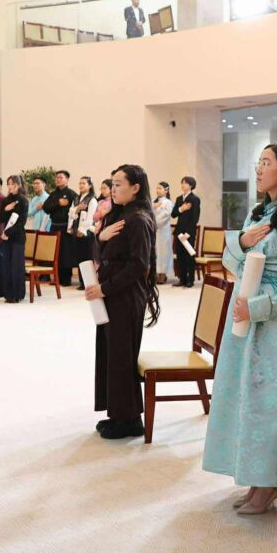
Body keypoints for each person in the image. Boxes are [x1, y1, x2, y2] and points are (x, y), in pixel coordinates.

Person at [202, 142, 277, 515]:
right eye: (259, 162)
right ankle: (254, 477)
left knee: (269, 401)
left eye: (267, 162)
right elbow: (229, 260)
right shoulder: (259, 213)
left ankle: (271, 482)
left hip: (270, 322)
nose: (259, 168)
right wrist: (241, 241)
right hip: (242, 313)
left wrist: (256, 307)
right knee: (243, 396)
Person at [87, 164, 160, 439]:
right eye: (113, 183)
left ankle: (130, 420)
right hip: (113, 295)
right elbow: (106, 254)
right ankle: (118, 414)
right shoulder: (120, 215)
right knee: (112, 354)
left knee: (121, 356)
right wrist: (100, 236)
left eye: (119, 184)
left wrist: (105, 288)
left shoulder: (138, 218)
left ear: (135, 187)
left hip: (125, 296)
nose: (113, 189)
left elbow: (139, 265)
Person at [43, 170, 80, 286]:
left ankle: (66, 279)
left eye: (61, 177)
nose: (58, 179)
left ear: (67, 179)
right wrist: (58, 204)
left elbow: (76, 211)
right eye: (57, 178)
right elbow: (46, 208)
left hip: (66, 227)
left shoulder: (71, 194)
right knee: (56, 253)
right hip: (54, 226)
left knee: (66, 253)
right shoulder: (53, 194)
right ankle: (56, 278)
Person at [0, 175, 29, 303]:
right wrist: (6, 209)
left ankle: (18, 294)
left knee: (16, 266)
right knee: (6, 265)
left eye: (13, 184)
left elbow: (21, 222)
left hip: (17, 237)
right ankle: (8, 294)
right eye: (9, 184)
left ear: (19, 185)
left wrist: (7, 232)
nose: (10, 186)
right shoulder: (6, 200)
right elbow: (0, 218)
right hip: (6, 237)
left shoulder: (23, 200)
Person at [171, 176, 201, 288]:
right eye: (182, 182)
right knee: (180, 256)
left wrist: (188, 233)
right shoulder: (179, 198)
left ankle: (190, 280)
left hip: (188, 233)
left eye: (185, 183)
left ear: (191, 185)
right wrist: (181, 209)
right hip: (179, 231)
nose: (183, 185)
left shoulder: (194, 199)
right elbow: (173, 214)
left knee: (189, 256)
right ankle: (182, 279)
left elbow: (195, 218)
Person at [70, 176, 99, 291]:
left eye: (84, 183)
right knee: (79, 257)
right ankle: (82, 282)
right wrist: (77, 209)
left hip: (87, 232)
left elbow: (90, 218)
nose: (81, 185)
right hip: (76, 231)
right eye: (80, 183)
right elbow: (71, 214)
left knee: (87, 257)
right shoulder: (77, 198)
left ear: (90, 186)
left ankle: (89, 283)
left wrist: (82, 230)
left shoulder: (92, 200)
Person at [153, 182, 175, 283]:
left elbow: (166, 215)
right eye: (157, 188)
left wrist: (155, 223)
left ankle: (163, 273)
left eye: (160, 188)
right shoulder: (153, 202)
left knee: (163, 252)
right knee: (155, 251)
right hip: (154, 230)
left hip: (163, 230)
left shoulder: (168, 202)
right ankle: (155, 273)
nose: (158, 190)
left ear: (166, 190)